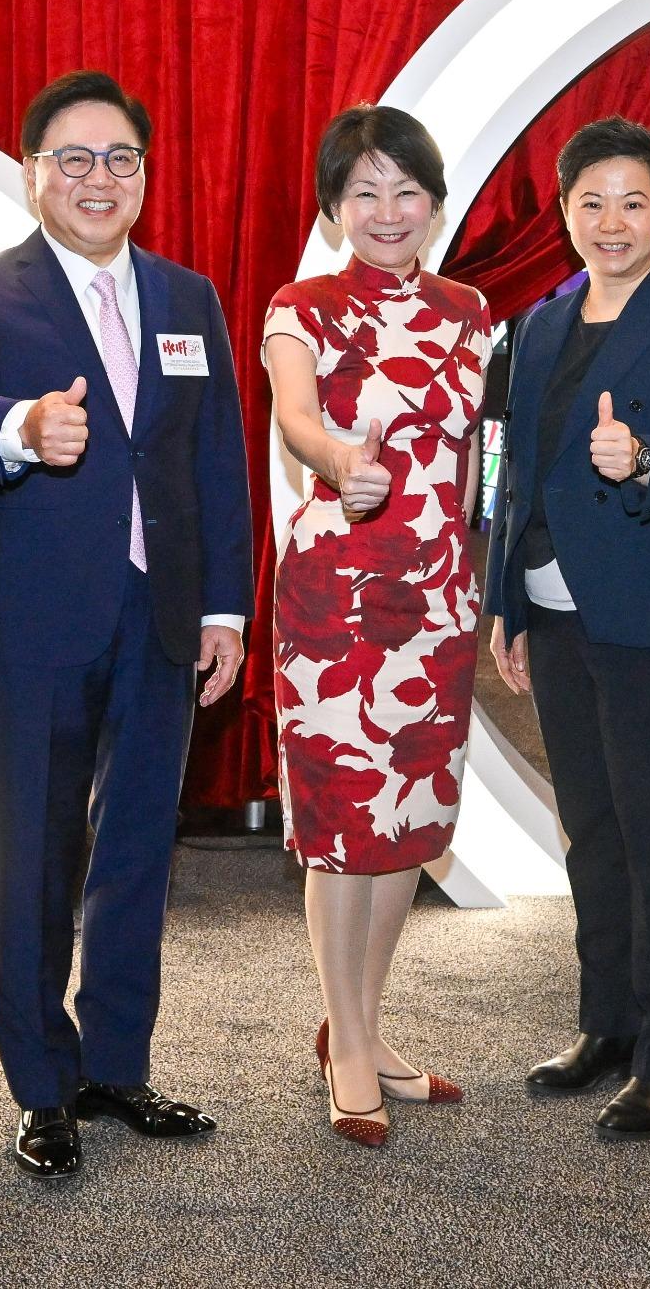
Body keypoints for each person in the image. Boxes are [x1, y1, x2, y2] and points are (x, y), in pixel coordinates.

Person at [0, 69, 252, 1179]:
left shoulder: (188, 295)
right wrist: (20, 423)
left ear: (145, 176)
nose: (96, 179)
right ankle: (41, 1088)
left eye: (119, 159)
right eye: (72, 158)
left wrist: (221, 607)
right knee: (35, 859)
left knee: (137, 852)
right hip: (36, 621)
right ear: (30, 175)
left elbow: (215, 459)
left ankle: (116, 1064)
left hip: (159, 618)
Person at [483, 116, 650, 1138]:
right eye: (590, 202)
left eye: (633, 201)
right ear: (563, 215)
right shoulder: (542, 326)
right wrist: (507, 599)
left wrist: (640, 460)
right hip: (555, 614)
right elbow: (516, 476)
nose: (611, 221)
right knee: (591, 833)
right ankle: (610, 1024)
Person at [263, 106, 491, 1148]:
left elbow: (473, 462)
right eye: (364, 192)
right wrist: (335, 462)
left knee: (407, 818)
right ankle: (349, 1044)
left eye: (406, 191)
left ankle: (363, 1022)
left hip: (436, 598)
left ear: (435, 205)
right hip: (335, 598)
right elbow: (297, 415)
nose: (386, 211)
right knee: (340, 820)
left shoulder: (470, 311)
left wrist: (475, 580)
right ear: (332, 208)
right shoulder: (299, 307)